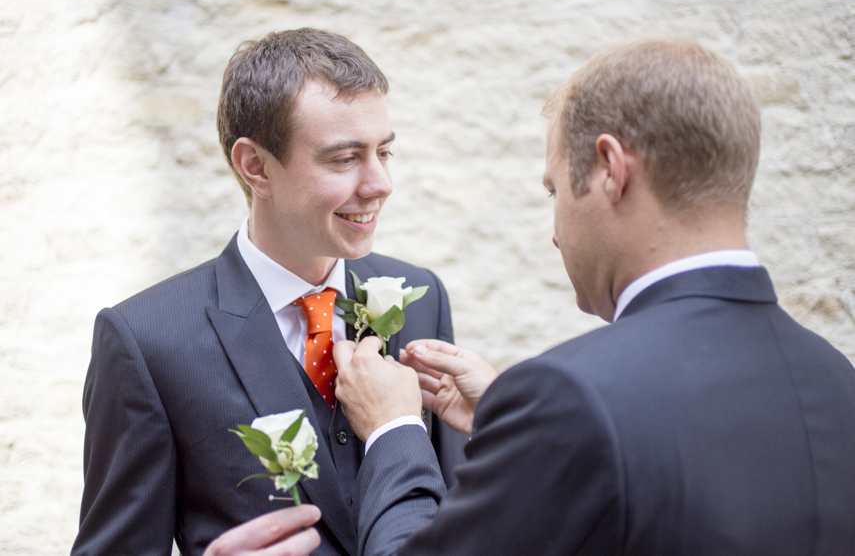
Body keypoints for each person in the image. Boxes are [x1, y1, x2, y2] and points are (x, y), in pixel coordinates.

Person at [331, 37, 855, 555]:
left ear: (610, 170)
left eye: (554, 190)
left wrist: (393, 429)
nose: (555, 233)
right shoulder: (835, 378)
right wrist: (517, 429)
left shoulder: (569, 394)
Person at [71, 28, 466, 556]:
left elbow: (458, 517)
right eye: (344, 158)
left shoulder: (419, 296)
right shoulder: (148, 341)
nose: (379, 184)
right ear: (255, 166)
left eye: (384, 152)